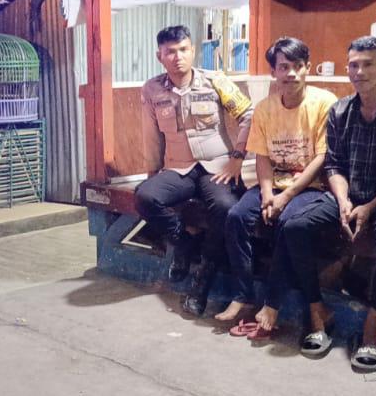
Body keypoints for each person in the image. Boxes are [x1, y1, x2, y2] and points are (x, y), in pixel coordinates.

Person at [284, 35, 376, 371]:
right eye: (353, 65)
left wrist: (369, 207)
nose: (359, 72)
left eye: (367, 64)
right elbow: (334, 164)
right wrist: (344, 200)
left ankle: (372, 325)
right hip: (348, 195)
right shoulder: (340, 110)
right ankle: (317, 310)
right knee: (294, 226)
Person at [215, 37, 339, 347]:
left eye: (298, 66)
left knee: (287, 224)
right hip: (275, 183)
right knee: (236, 216)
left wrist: (286, 196)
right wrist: (268, 192)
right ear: (274, 72)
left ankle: (272, 303)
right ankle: (243, 295)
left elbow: (322, 158)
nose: (291, 74)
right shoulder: (265, 108)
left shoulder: (325, 103)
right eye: (284, 67)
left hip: (311, 186)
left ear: (308, 68)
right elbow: (262, 157)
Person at [136, 24, 254, 316]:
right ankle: (185, 242)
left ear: (193, 50)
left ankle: (202, 281)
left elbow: (249, 115)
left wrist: (237, 158)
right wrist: (153, 174)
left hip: (217, 166)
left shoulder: (215, 81)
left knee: (225, 208)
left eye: (183, 50)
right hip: (178, 168)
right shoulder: (152, 89)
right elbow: (152, 136)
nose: (178, 57)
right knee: (145, 196)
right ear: (159, 56)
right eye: (170, 52)